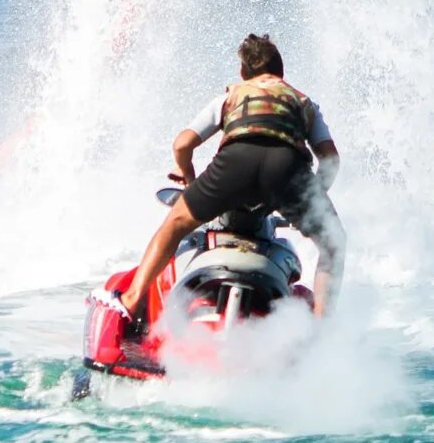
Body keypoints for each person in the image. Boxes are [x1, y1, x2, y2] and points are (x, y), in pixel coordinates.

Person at [119, 33, 346, 322]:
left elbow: (182, 145)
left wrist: (189, 177)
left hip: (234, 165)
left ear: (243, 72)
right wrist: (313, 196)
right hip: (287, 170)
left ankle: (132, 298)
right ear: (281, 72)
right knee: (333, 244)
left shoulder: (230, 96)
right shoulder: (304, 103)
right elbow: (330, 160)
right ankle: (320, 327)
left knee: (174, 225)